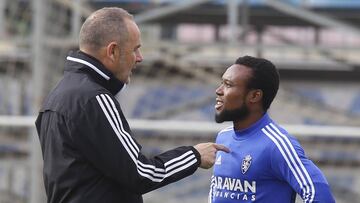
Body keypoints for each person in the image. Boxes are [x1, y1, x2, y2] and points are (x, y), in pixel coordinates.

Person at [35, 7, 229, 203]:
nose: (140, 57)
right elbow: (141, 173)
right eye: (135, 49)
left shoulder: (59, 94)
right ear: (112, 51)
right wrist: (194, 155)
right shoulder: (93, 98)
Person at [209, 56, 335, 203]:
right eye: (221, 83)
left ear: (255, 96)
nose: (218, 90)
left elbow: (320, 196)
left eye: (228, 85)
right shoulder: (223, 137)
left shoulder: (277, 144)